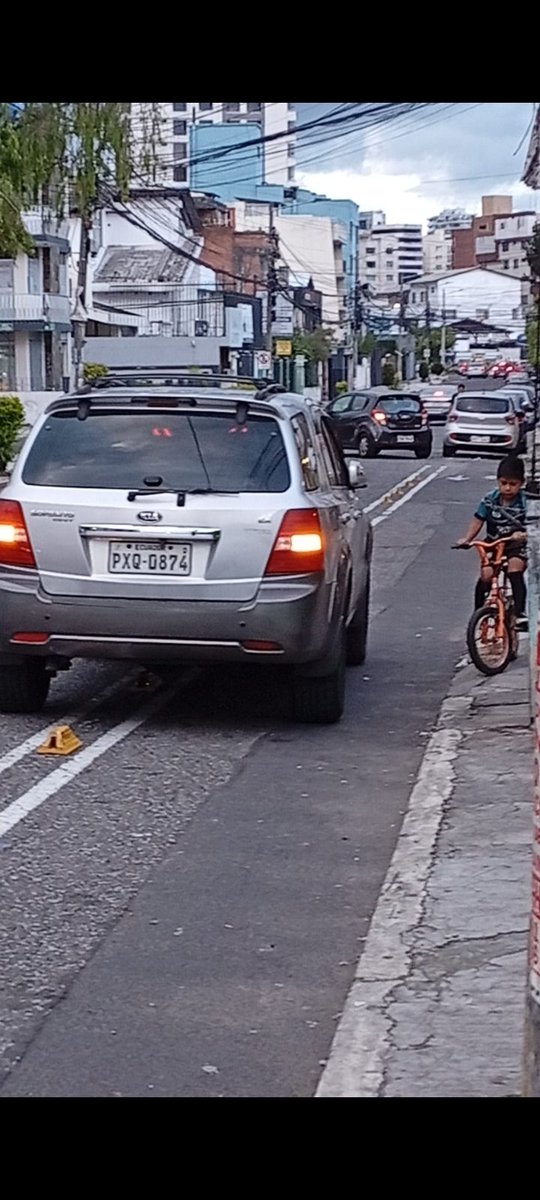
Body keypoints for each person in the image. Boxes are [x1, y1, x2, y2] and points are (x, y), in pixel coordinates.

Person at [455, 455, 528, 626]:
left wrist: (524, 534)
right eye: (504, 483)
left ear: (521, 483)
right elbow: (478, 519)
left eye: (513, 484)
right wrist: (467, 538)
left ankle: (520, 613)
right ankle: (478, 613)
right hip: (494, 542)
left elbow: (533, 523)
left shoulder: (525, 502)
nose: (507, 488)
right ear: (498, 481)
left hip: (516, 544)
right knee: (486, 575)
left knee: (515, 569)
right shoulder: (490, 500)